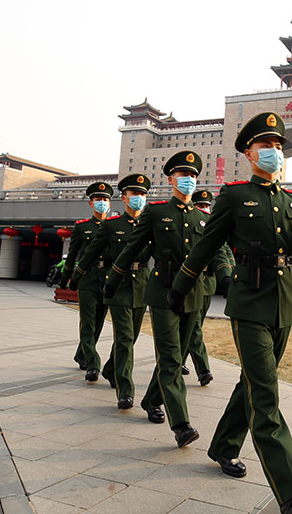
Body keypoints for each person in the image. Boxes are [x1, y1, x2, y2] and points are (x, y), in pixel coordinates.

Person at [167, 112, 292, 514]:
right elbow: (206, 246)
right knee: (266, 393)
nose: (275, 153)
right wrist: (180, 287)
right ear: (248, 152)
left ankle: (224, 445)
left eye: (278, 147)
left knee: (256, 381)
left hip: (284, 303)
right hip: (249, 302)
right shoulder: (234, 196)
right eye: (266, 146)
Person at [104, 151, 230, 448]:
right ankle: (181, 424)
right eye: (183, 175)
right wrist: (112, 280)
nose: (188, 180)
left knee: (181, 354)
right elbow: (132, 248)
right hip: (162, 294)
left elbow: (218, 249)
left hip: (194, 294)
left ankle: (150, 400)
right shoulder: (156, 213)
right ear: (171, 179)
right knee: (171, 358)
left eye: (193, 176)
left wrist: (227, 275)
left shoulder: (204, 218)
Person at [71, 173, 152, 409]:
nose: (139, 198)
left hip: (142, 285)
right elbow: (90, 253)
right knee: (124, 338)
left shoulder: (151, 223)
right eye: (135, 194)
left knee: (132, 337)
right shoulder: (111, 226)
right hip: (117, 285)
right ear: (124, 197)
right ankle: (125, 389)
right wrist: (75, 277)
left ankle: (109, 369)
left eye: (143, 194)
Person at [181, 189, 234, 387]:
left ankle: (180, 360)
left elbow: (225, 250)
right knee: (194, 328)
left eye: (207, 206)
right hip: (192, 283)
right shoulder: (191, 224)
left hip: (208, 284)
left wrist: (228, 274)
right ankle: (203, 369)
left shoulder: (214, 226)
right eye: (201, 206)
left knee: (195, 326)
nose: (205, 209)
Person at [60, 181, 113, 381]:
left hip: (107, 278)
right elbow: (72, 255)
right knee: (88, 323)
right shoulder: (82, 227)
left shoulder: (114, 226)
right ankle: (93, 363)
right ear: (91, 204)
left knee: (99, 322)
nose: (102, 203)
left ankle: (81, 353)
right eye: (98, 199)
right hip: (88, 279)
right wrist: (67, 278)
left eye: (105, 199)